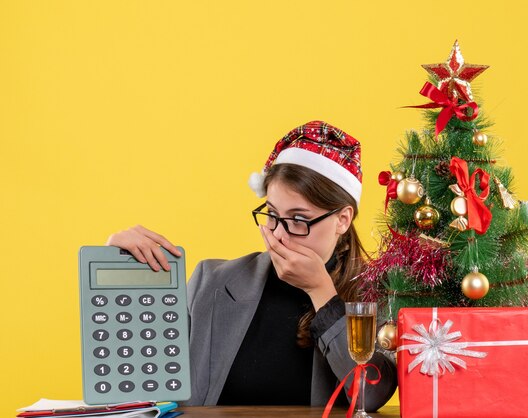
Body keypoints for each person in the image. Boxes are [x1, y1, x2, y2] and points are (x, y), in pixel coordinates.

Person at [106, 121, 397, 409]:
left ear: (342, 220)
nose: (279, 234)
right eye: (272, 214)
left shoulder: (376, 295)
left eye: (298, 219)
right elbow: (135, 378)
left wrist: (321, 292)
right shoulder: (211, 282)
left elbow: (369, 396)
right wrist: (119, 269)